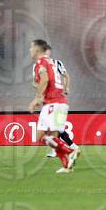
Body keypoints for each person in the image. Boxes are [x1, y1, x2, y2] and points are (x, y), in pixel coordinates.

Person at [28, 39, 74, 174]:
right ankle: (66, 165)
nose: (30, 50)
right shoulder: (54, 62)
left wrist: (36, 98)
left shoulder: (40, 63)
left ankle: (71, 150)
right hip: (61, 103)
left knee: (40, 137)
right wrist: (65, 88)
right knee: (54, 135)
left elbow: (45, 79)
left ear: (37, 49)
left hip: (52, 104)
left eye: (31, 48)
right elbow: (63, 76)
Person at [42, 46, 80, 164]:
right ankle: (73, 147)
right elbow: (37, 81)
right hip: (49, 100)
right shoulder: (40, 65)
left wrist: (66, 87)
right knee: (57, 127)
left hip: (57, 100)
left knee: (53, 126)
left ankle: (58, 150)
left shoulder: (56, 63)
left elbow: (66, 75)